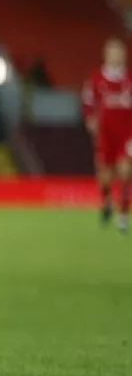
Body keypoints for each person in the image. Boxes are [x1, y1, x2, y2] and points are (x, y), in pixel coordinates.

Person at [82, 37, 132, 234]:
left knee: (125, 172)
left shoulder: (129, 80)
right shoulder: (96, 79)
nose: (116, 56)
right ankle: (107, 201)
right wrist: (90, 119)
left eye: (119, 52)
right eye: (112, 52)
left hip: (126, 135)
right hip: (105, 135)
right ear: (106, 55)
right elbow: (87, 101)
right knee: (104, 177)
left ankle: (123, 216)